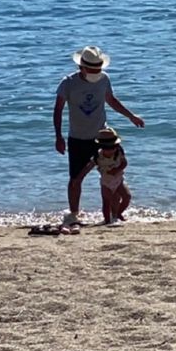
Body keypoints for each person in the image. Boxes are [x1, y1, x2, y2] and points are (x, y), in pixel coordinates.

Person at [53, 45, 144, 225]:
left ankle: (114, 215)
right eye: (92, 70)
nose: (96, 73)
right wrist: (58, 136)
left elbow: (111, 100)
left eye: (98, 69)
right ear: (81, 67)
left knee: (113, 175)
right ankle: (74, 214)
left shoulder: (104, 79)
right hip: (78, 138)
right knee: (75, 179)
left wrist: (131, 116)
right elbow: (58, 110)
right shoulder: (68, 83)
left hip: (103, 137)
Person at [85, 126, 131, 224]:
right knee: (106, 202)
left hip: (119, 180)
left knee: (127, 197)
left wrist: (117, 170)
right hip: (106, 182)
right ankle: (107, 220)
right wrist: (80, 176)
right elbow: (89, 166)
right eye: (108, 149)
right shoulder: (98, 156)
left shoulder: (119, 152)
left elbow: (124, 163)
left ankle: (118, 214)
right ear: (102, 147)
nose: (111, 151)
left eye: (113, 148)